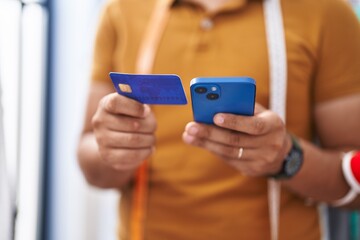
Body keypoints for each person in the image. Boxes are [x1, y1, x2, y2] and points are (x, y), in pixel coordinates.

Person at [77, 0, 360, 239]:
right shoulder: (122, 9)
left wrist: (286, 159)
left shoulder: (325, 11)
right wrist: (114, 149)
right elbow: (89, 153)